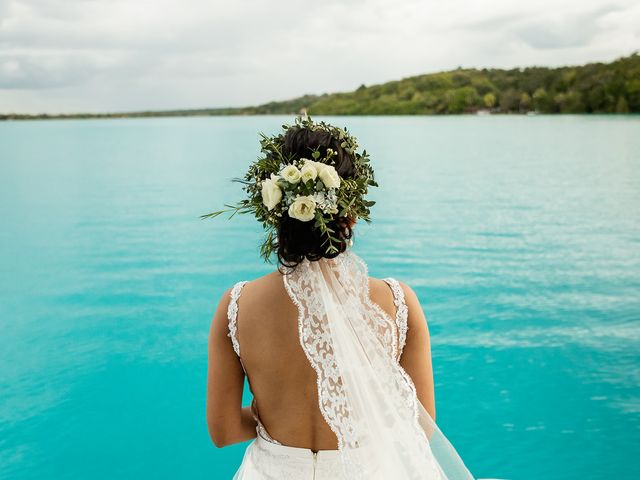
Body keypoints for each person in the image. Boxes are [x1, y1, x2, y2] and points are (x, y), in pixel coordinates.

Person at [204, 116, 474, 479]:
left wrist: (269, 411)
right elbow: (419, 426)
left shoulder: (236, 304)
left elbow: (222, 432)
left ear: (273, 211)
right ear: (351, 212)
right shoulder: (398, 301)